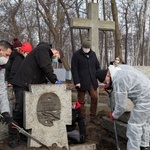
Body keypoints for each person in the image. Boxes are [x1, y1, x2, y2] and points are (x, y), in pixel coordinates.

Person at [8, 42, 63, 148]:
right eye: (57, 58)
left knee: (27, 111)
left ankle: (23, 134)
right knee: (19, 110)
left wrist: (45, 81)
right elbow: (45, 66)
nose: (55, 60)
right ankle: (12, 137)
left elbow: (39, 71)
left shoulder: (43, 52)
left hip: (28, 84)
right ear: (56, 52)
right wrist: (54, 80)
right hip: (22, 83)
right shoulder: (43, 50)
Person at [96, 65, 150, 150]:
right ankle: (144, 146)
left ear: (107, 75)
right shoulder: (121, 69)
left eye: (105, 82)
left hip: (145, 99)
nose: (106, 84)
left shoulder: (118, 80)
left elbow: (121, 106)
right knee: (144, 122)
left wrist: (114, 115)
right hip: (147, 91)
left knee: (134, 126)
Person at [71, 38, 100, 123]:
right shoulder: (76, 55)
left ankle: (92, 116)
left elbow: (97, 66)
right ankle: (82, 117)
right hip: (81, 81)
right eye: (85, 47)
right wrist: (77, 82)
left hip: (92, 80)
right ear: (82, 47)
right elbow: (74, 69)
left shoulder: (93, 54)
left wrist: (98, 77)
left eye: (88, 48)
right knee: (81, 101)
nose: (87, 49)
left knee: (94, 97)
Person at [0, 40, 13, 124]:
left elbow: (1, 89)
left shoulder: (1, 68)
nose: (7, 59)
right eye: (6, 55)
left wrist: (5, 111)